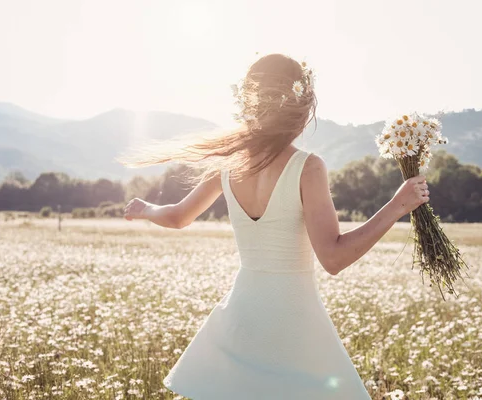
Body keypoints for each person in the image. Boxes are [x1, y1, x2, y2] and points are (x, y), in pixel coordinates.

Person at [121, 53, 429, 399]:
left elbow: (178, 216)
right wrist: (398, 205)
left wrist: (147, 208)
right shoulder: (307, 166)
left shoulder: (228, 164)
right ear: (300, 105)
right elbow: (334, 258)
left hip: (240, 320)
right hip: (293, 325)